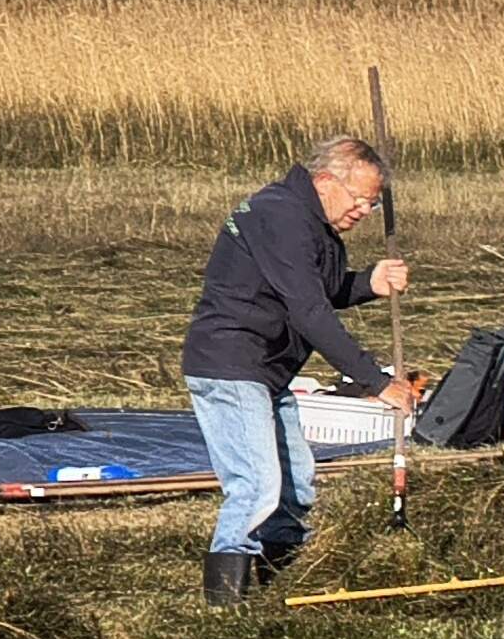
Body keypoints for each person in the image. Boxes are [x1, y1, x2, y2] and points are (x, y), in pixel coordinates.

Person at [179, 136, 420, 605]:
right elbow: (309, 311)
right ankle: (224, 606)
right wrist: (375, 382)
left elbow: (320, 289)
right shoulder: (281, 215)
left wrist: (369, 282)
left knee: (296, 485)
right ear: (327, 181)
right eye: (361, 200)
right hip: (231, 366)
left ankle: (283, 574)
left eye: (373, 205)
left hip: (268, 371)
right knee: (256, 485)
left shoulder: (314, 226)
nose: (364, 212)